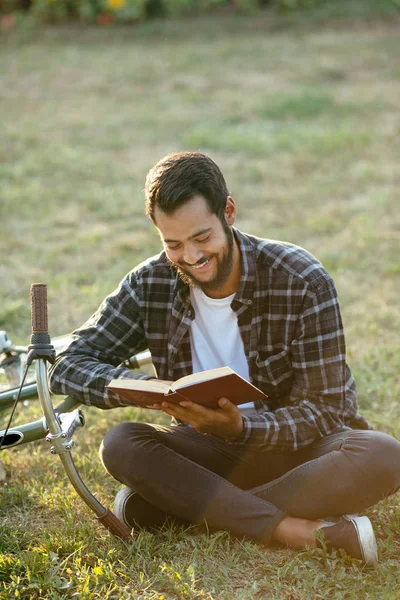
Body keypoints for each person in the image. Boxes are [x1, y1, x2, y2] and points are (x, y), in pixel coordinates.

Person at [49, 152, 400, 564]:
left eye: (202, 238)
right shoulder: (150, 283)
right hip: (211, 451)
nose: (192, 256)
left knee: (383, 454)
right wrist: (141, 389)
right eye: (173, 243)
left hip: (304, 449)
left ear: (228, 212)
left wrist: (242, 427)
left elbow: (328, 408)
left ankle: (178, 508)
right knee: (122, 443)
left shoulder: (301, 278)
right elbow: (69, 361)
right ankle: (296, 530)